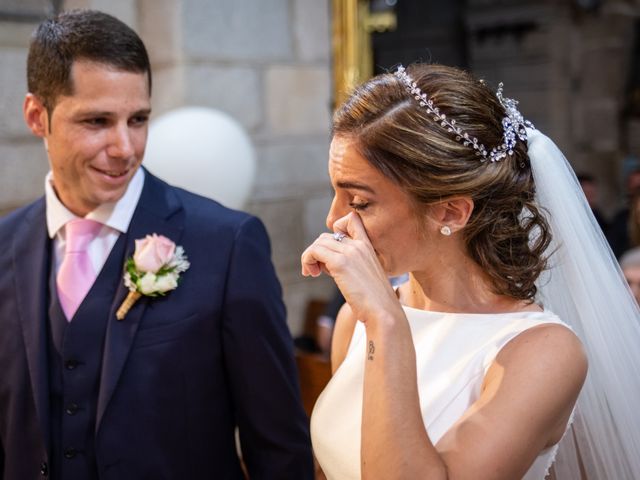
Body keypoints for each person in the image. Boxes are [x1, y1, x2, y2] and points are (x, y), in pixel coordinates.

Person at [0, 10, 313, 479]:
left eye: (139, 119)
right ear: (36, 116)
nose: (125, 147)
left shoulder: (227, 244)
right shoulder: (4, 246)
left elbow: (278, 444)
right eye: (98, 121)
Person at [301, 63, 640, 479]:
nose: (334, 220)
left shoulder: (541, 352)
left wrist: (388, 326)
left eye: (359, 202)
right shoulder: (355, 319)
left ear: (450, 211)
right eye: (335, 192)